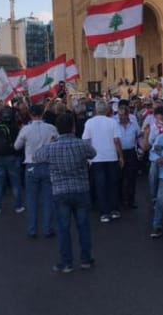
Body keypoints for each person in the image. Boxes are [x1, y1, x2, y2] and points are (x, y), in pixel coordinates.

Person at [34, 113, 97, 273]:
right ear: (73, 127)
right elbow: (93, 153)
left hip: (60, 191)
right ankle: (86, 259)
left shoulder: (51, 148)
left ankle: (66, 262)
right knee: (83, 226)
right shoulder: (81, 145)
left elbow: (36, 157)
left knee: (63, 228)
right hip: (80, 189)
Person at [15, 103, 58, 237]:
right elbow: (57, 140)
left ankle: (32, 229)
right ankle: (47, 228)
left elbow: (17, 146)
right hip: (47, 164)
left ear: (30, 114)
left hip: (31, 165)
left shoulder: (26, 129)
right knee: (47, 199)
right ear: (42, 113)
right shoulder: (50, 128)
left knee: (32, 199)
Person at [82, 99, 123, 223]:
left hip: (96, 158)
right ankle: (114, 210)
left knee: (100, 186)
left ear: (95, 109)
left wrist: (88, 157)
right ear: (107, 110)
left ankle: (104, 213)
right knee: (113, 184)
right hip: (111, 157)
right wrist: (121, 156)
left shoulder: (89, 122)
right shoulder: (112, 122)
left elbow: (86, 141)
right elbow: (116, 141)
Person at [0, 105, 24, 215]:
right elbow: (18, 143)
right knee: (15, 183)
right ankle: (18, 206)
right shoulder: (14, 127)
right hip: (12, 157)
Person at [117, 107, 142, 209]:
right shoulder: (115, 125)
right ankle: (121, 200)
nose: (121, 117)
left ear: (127, 115)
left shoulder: (134, 124)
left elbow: (139, 136)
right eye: (120, 115)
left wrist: (141, 150)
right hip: (119, 153)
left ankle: (131, 200)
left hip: (131, 153)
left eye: (123, 115)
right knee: (120, 177)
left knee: (131, 177)